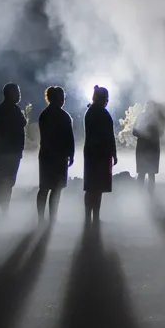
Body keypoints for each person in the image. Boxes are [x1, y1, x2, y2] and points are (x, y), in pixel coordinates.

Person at [37, 85, 75, 224]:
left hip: (46, 155)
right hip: (60, 157)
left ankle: (41, 218)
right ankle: (53, 217)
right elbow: (70, 138)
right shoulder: (64, 116)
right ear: (59, 98)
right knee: (56, 189)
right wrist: (71, 154)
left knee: (44, 188)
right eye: (63, 97)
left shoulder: (44, 115)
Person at [83, 85, 117, 224]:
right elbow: (109, 136)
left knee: (91, 186)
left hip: (92, 153)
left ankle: (89, 216)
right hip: (101, 154)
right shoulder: (103, 113)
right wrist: (114, 153)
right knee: (97, 187)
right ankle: (94, 216)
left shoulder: (90, 112)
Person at [0, 82, 26, 218]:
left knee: (5, 182)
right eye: (17, 92)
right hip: (8, 152)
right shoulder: (11, 110)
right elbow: (22, 123)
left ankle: (1, 212)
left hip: (7, 151)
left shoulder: (2, 109)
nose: (19, 95)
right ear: (11, 94)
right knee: (3, 182)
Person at [132, 101, 164, 195]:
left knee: (150, 174)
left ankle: (149, 194)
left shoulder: (156, 119)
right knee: (143, 174)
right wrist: (143, 134)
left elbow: (161, 132)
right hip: (143, 150)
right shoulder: (141, 117)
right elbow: (134, 131)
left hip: (152, 150)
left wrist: (149, 134)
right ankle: (141, 194)